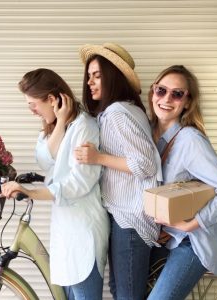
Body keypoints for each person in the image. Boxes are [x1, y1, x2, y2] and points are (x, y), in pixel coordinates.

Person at [1, 68, 110, 300]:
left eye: (33, 104)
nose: (31, 111)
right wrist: (60, 121)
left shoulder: (85, 127)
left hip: (83, 229)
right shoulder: (53, 126)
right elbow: (44, 160)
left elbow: (79, 183)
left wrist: (31, 193)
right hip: (65, 228)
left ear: (51, 99)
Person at [74, 43, 162, 300]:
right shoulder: (121, 111)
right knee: (122, 291)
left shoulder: (117, 113)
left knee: (127, 295)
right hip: (125, 215)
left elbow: (145, 164)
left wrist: (98, 157)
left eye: (97, 75)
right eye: (88, 76)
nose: (89, 82)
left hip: (131, 219)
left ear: (113, 77)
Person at [146, 65, 217, 300]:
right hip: (162, 241)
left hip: (191, 242)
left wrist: (192, 224)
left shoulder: (190, 140)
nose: (167, 99)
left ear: (187, 102)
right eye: (161, 90)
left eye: (177, 94)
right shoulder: (146, 135)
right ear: (152, 93)